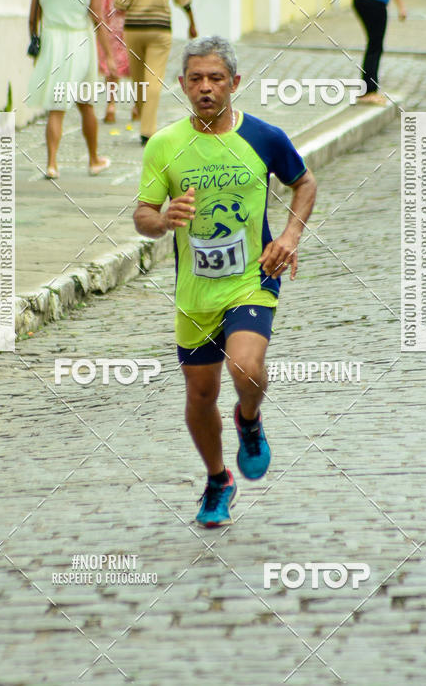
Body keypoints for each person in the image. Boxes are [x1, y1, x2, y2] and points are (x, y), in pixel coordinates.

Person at [133, 36, 317, 527]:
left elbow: (304, 182)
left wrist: (290, 236)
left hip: (252, 279)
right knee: (200, 395)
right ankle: (218, 480)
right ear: (182, 85)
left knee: (245, 367)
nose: (206, 88)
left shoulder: (263, 137)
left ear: (234, 83)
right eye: (196, 79)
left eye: (216, 78)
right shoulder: (165, 145)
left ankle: (249, 421)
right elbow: (143, 214)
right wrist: (164, 218)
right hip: (195, 292)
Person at [27, 0, 115, 179]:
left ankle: (52, 164)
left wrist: (36, 44)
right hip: (80, 44)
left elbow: (33, 18)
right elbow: (98, 20)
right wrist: (108, 55)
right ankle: (94, 159)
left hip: (53, 43)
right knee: (86, 106)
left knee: (56, 108)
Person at [114, 0, 197, 146]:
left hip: (134, 30)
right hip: (159, 30)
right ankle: (147, 129)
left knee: (138, 81)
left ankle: (145, 121)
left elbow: (120, 2)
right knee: (153, 79)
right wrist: (191, 23)